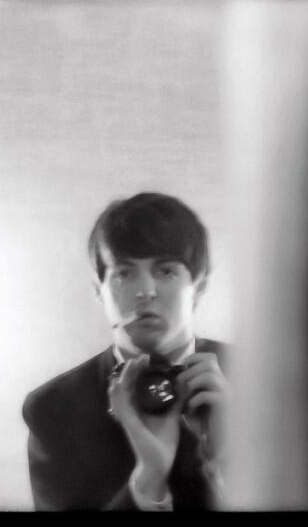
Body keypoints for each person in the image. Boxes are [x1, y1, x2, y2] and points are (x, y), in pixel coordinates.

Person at [22, 192, 229, 511]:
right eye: (124, 273)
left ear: (198, 287)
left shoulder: (259, 381)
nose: (146, 291)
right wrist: (148, 478)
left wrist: (233, 454)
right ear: (98, 290)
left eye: (166, 271)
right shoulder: (53, 409)